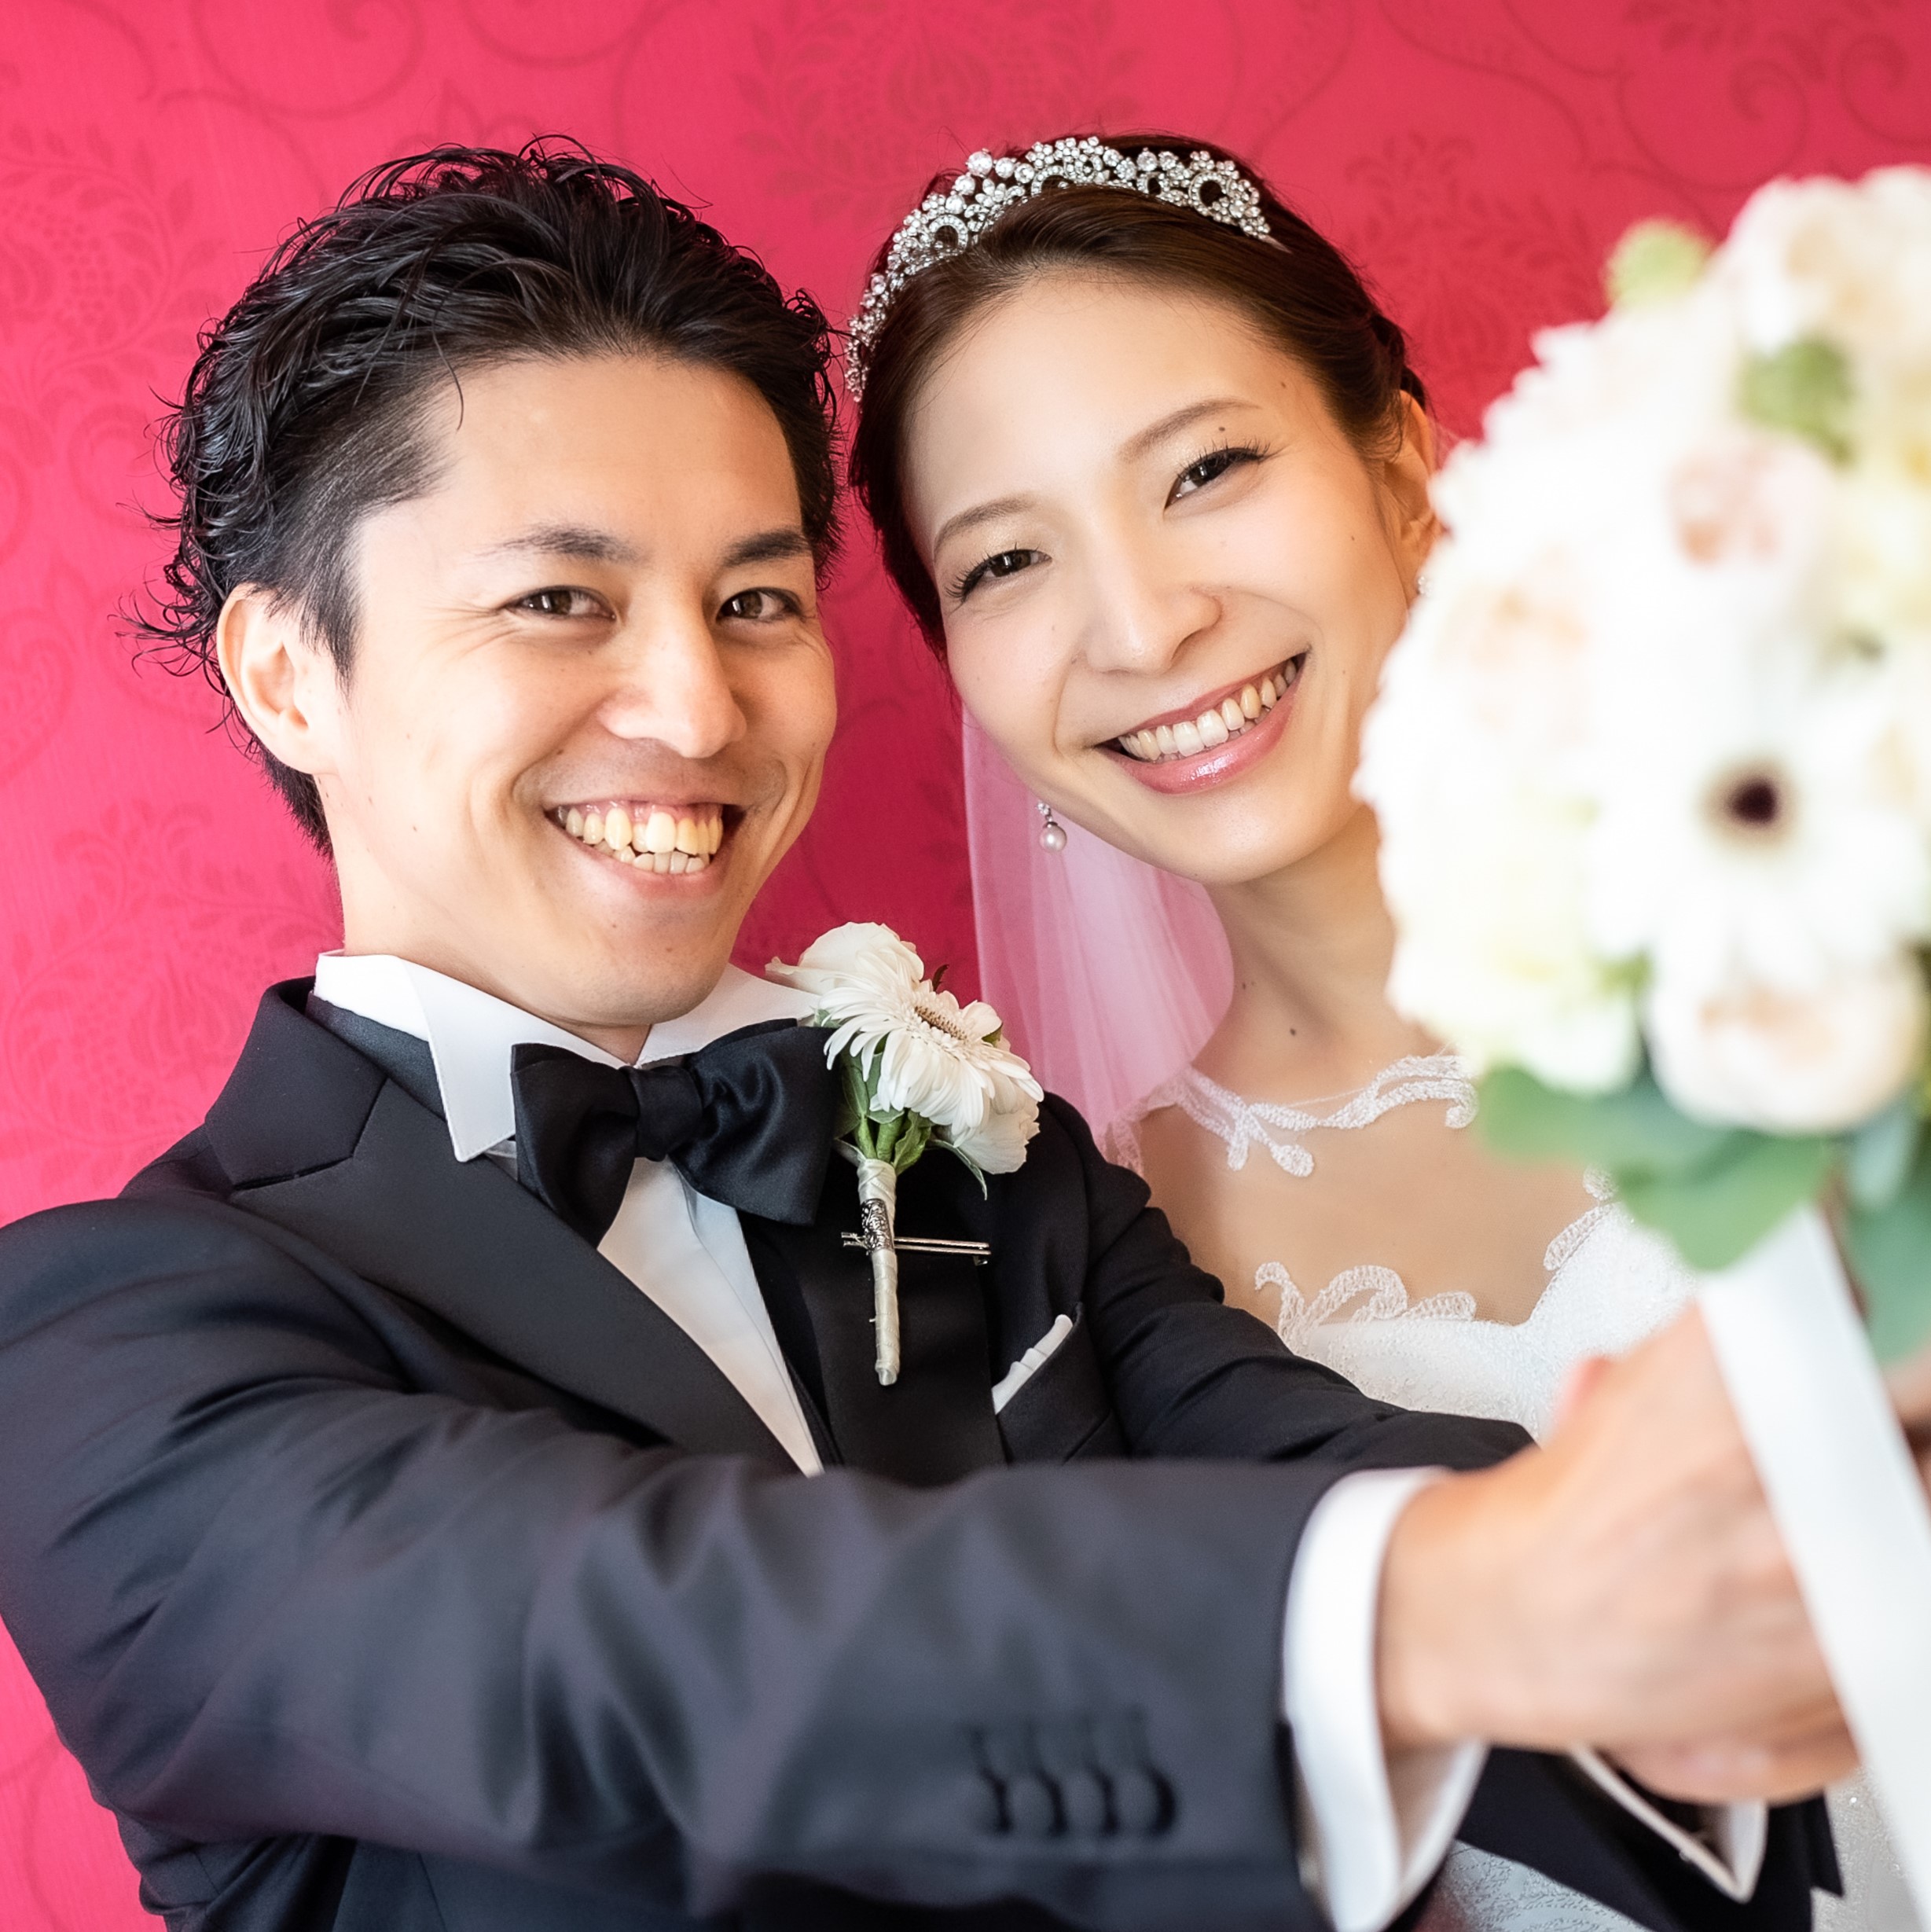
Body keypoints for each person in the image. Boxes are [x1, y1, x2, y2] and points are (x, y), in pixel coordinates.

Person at [0, 141, 1858, 1932]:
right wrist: (1439, 1604)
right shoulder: (105, 1343)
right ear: (287, 670)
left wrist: (1824, 1494)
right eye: (560, 600)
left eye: (753, 601)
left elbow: (1347, 1474)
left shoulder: (997, 1164)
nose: (695, 704)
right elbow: (642, 1645)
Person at [844, 131, 1909, 1926]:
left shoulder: (1837, 901)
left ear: (1400, 462)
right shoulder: (1087, 1260)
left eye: (1205, 470)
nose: (1143, 623)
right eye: (1007, 560)